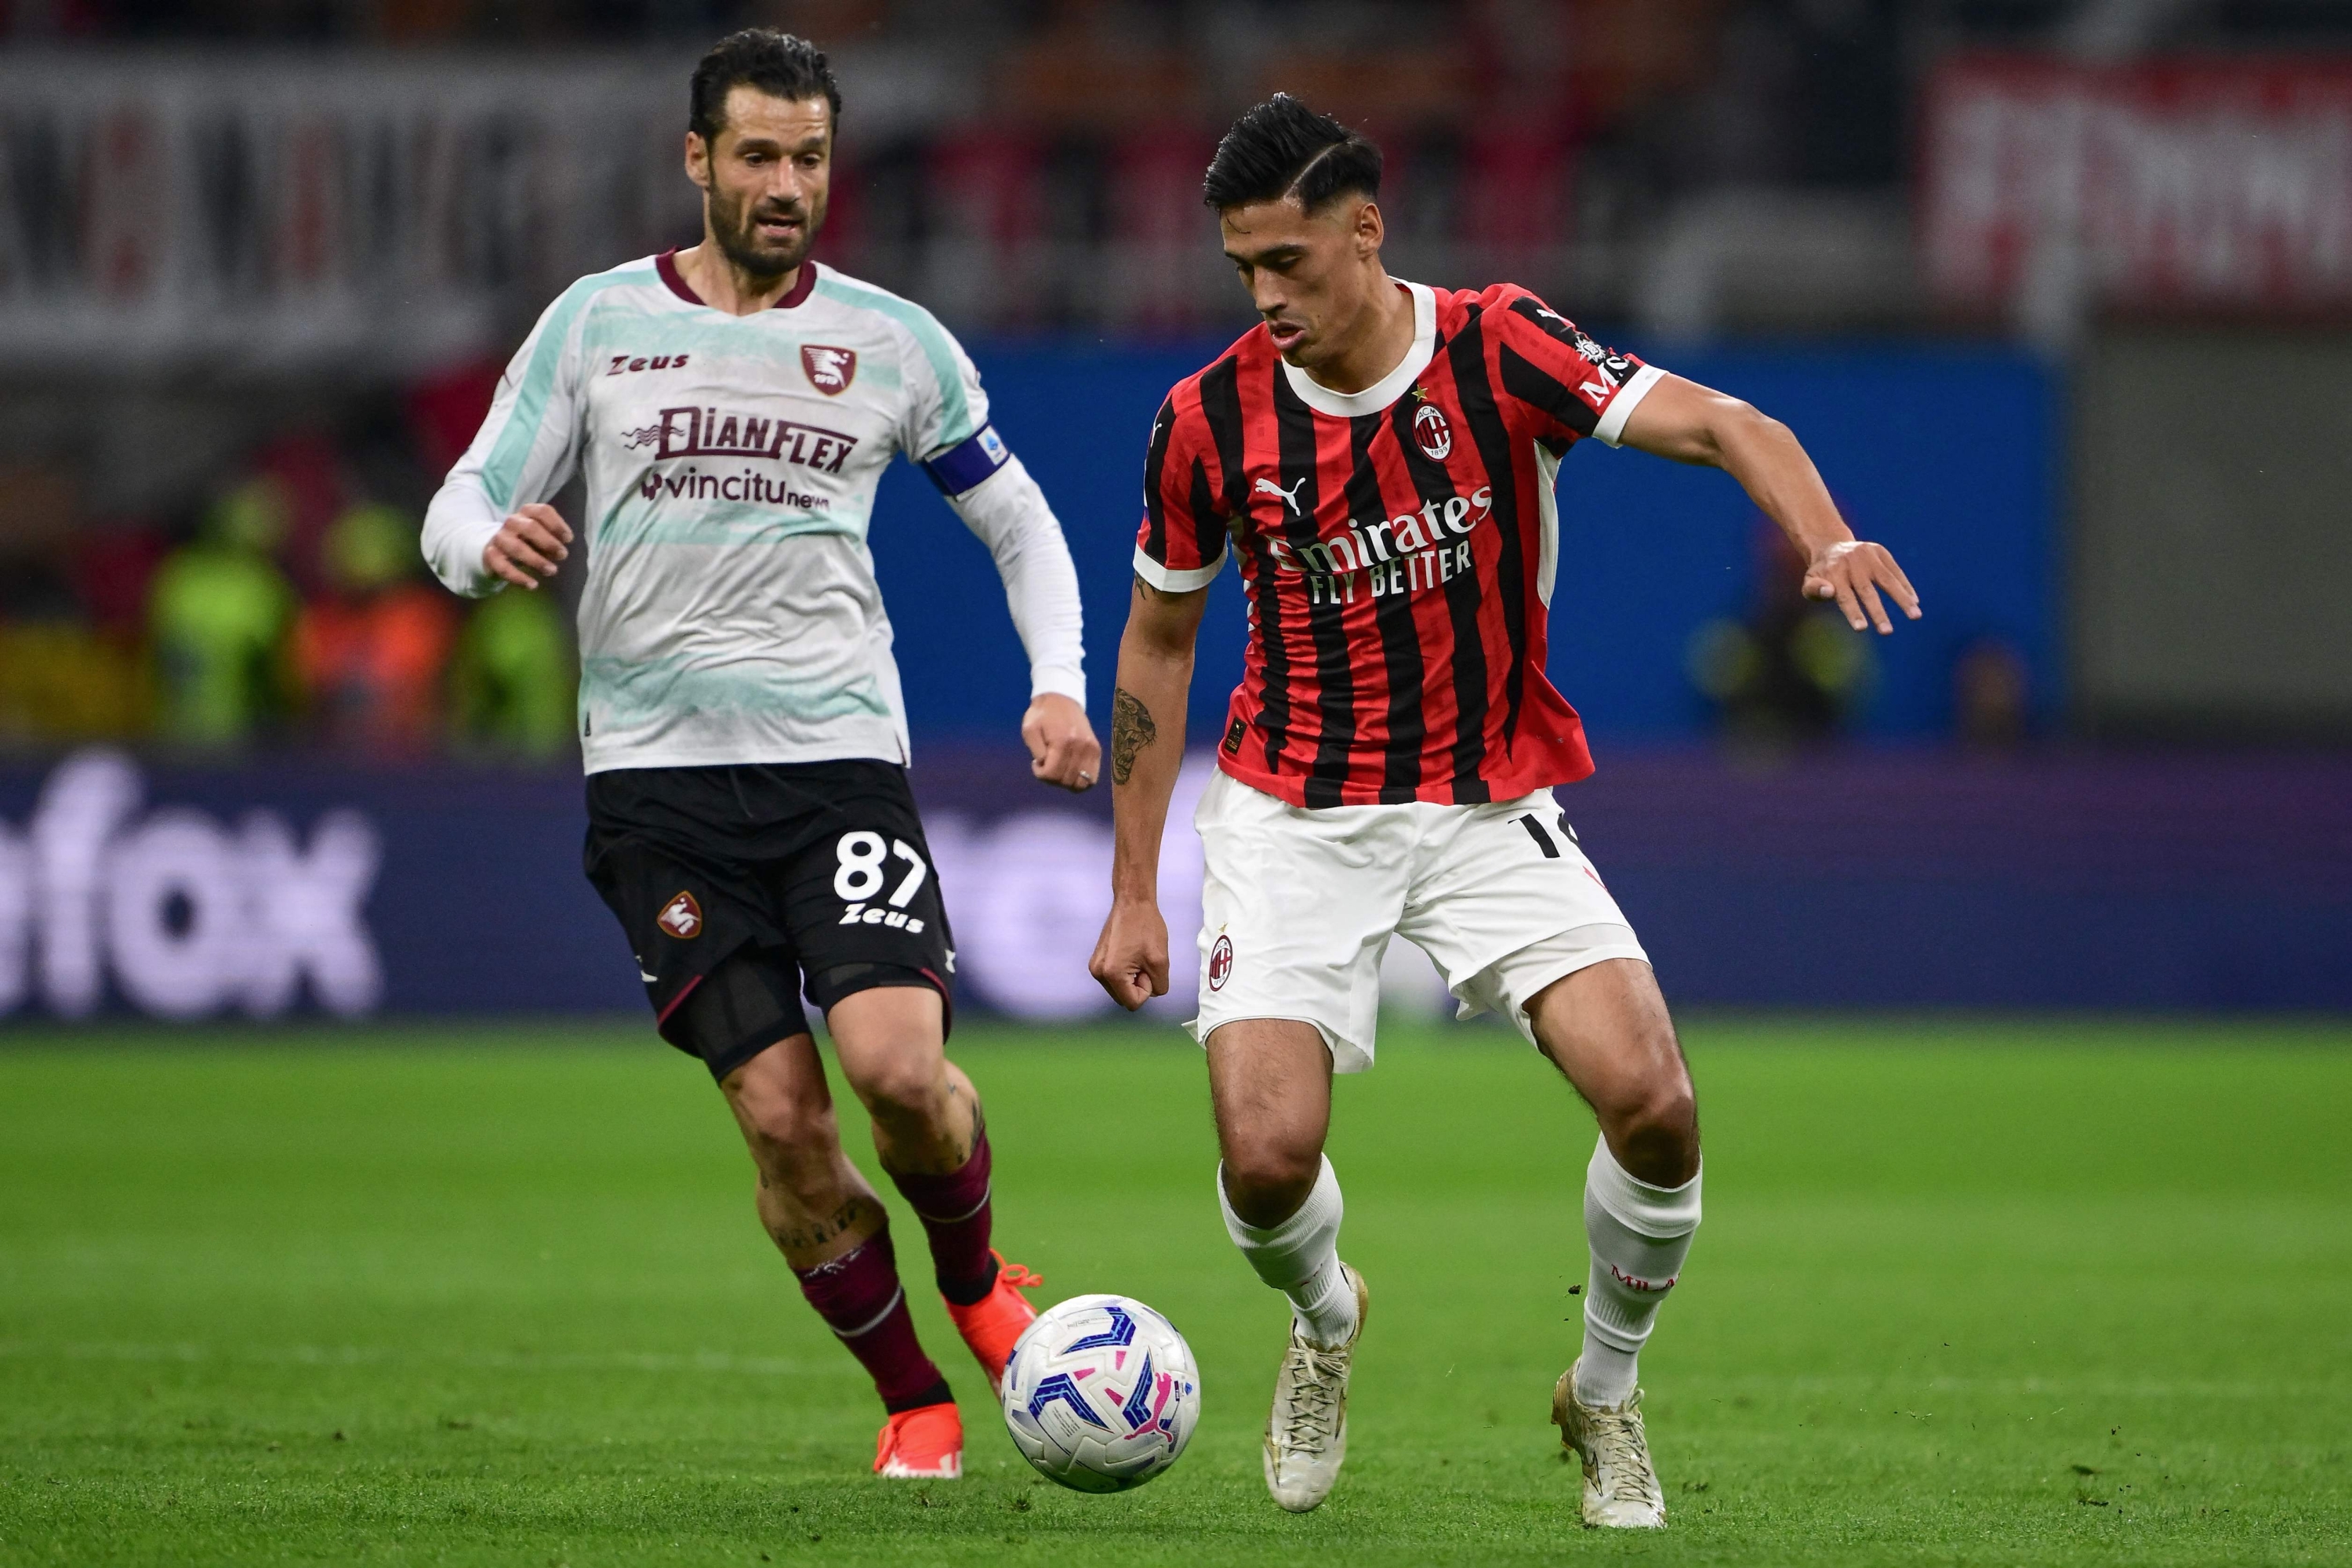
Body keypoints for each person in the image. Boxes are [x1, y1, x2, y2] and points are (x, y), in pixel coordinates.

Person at [1089, 96, 1920, 1527]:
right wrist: (1133, 885)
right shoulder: (1206, 419)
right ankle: (1329, 1320)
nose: (1267, 296)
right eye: (1245, 269)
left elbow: (1729, 422)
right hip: (1292, 814)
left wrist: (1825, 533)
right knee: (1267, 1156)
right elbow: (1159, 645)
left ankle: (1601, 1391)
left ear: (1368, 227)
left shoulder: (1499, 345)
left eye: (1290, 259)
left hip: (1485, 803)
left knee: (1656, 1106)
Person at [421, 31, 1100, 1481]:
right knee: (786, 1121)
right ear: (697, 160)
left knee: (899, 1071)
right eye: (759, 157)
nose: (788, 185)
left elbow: (1021, 520)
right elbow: (461, 498)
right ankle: (912, 1394)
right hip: (657, 791)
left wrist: (1058, 687)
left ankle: (978, 1284)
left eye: (810, 158)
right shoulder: (598, 324)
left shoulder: (895, 340)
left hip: (838, 762)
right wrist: (488, 543)